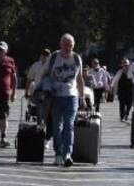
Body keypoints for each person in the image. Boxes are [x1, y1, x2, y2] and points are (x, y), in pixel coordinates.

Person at [40, 33, 86, 168]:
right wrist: (43, 89)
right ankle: (58, 153)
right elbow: (44, 73)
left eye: (70, 45)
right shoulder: (54, 57)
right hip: (55, 97)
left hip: (71, 97)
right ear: (61, 44)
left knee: (69, 125)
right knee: (56, 127)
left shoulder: (77, 58)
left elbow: (79, 79)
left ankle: (67, 154)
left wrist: (82, 97)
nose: (68, 48)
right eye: (65, 45)